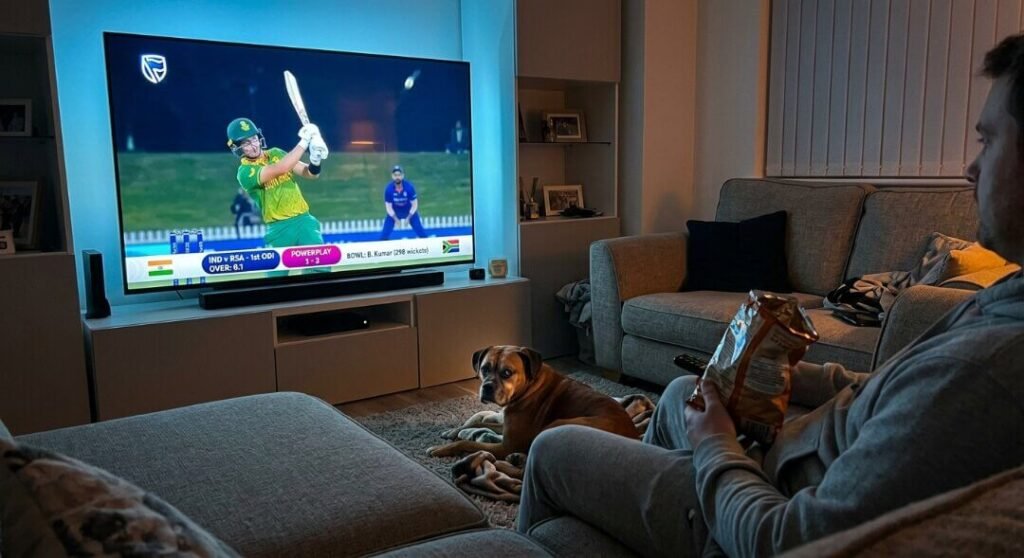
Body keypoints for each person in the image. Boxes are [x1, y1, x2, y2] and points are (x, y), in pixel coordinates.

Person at [517, 33, 1024, 557]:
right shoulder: (1007, 297)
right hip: (782, 456)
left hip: (770, 502)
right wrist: (786, 372)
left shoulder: (990, 369)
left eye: (987, 141)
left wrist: (715, 442)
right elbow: (891, 388)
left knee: (553, 447)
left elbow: (788, 540)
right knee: (677, 394)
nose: (970, 168)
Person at [227, 117, 329, 250]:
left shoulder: (276, 153)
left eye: (254, 139)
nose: (254, 145)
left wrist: (315, 160)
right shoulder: (245, 172)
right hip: (279, 228)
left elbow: (311, 174)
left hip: (304, 220)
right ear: (237, 148)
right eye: (246, 143)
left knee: (319, 267)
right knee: (278, 270)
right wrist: (304, 142)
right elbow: (281, 168)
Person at [380, 165, 428, 240]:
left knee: (421, 232)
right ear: (392, 176)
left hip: (408, 210)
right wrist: (395, 219)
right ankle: (382, 248)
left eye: (399, 175)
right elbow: (388, 207)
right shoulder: (389, 189)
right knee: (384, 234)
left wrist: (409, 217)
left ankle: (427, 246)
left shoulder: (409, 187)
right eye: (395, 175)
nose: (397, 177)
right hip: (395, 211)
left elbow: (414, 205)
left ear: (402, 176)